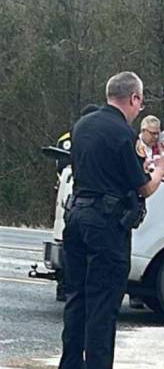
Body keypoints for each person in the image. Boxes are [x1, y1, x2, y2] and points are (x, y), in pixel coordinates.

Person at [57, 71, 164, 369]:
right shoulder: (124, 134)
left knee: (77, 298)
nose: (140, 107)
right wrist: (159, 168)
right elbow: (142, 186)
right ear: (133, 98)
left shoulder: (82, 125)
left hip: (75, 218)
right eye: (140, 100)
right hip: (105, 224)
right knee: (104, 303)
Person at [54, 103, 101, 301]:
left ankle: (67, 285)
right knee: (72, 245)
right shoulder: (72, 138)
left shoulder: (76, 133)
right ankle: (65, 284)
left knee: (70, 242)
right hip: (77, 192)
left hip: (75, 195)